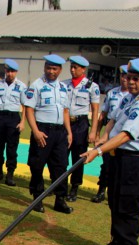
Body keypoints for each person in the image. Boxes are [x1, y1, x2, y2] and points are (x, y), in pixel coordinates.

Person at [81, 58, 139, 245]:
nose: (130, 82)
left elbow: (126, 135)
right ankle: (116, 243)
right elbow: (113, 120)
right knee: (115, 202)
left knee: (127, 207)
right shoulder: (130, 98)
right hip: (118, 158)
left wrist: (97, 151)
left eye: (136, 79)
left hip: (134, 161)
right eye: (129, 77)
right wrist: (104, 138)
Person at [22, 54, 74, 214]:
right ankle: (37, 198)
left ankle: (60, 199)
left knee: (61, 166)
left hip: (60, 132)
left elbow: (65, 111)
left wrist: (69, 132)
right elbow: (29, 109)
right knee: (37, 165)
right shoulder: (36, 85)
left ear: (60, 70)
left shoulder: (63, 87)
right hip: (43, 130)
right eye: (49, 68)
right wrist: (35, 131)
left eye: (55, 69)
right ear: (45, 68)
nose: (51, 71)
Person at [63, 55, 100, 202]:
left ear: (83, 69)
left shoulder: (92, 86)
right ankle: (60, 185)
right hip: (65, 123)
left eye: (75, 67)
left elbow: (95, 110)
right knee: (61, 156)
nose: (72, 70)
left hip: (81, 124)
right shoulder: (64, 84)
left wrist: (93, 131)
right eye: (71, 67)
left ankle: (74, 187)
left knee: (78, 157)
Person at [93, 64, 129, 203]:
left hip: (125, 134)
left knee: (122, 166)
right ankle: (101, 190)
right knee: (107, 164)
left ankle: (118, 193)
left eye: (127, 76)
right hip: (110, 133)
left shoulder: (136, 96)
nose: (124, 79)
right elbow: (103, 114)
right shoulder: (112, 93)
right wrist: (97, 133)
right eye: (122, 75)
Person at [0, 59, 26, 187]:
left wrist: (23, 122)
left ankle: (10, 175)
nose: (10, 74)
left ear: (16, 72)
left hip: (13, 118)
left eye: (13, 71)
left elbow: (25, 106)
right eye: (8, 71)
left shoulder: (21, 86)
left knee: (12, 148)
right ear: (5, 71)